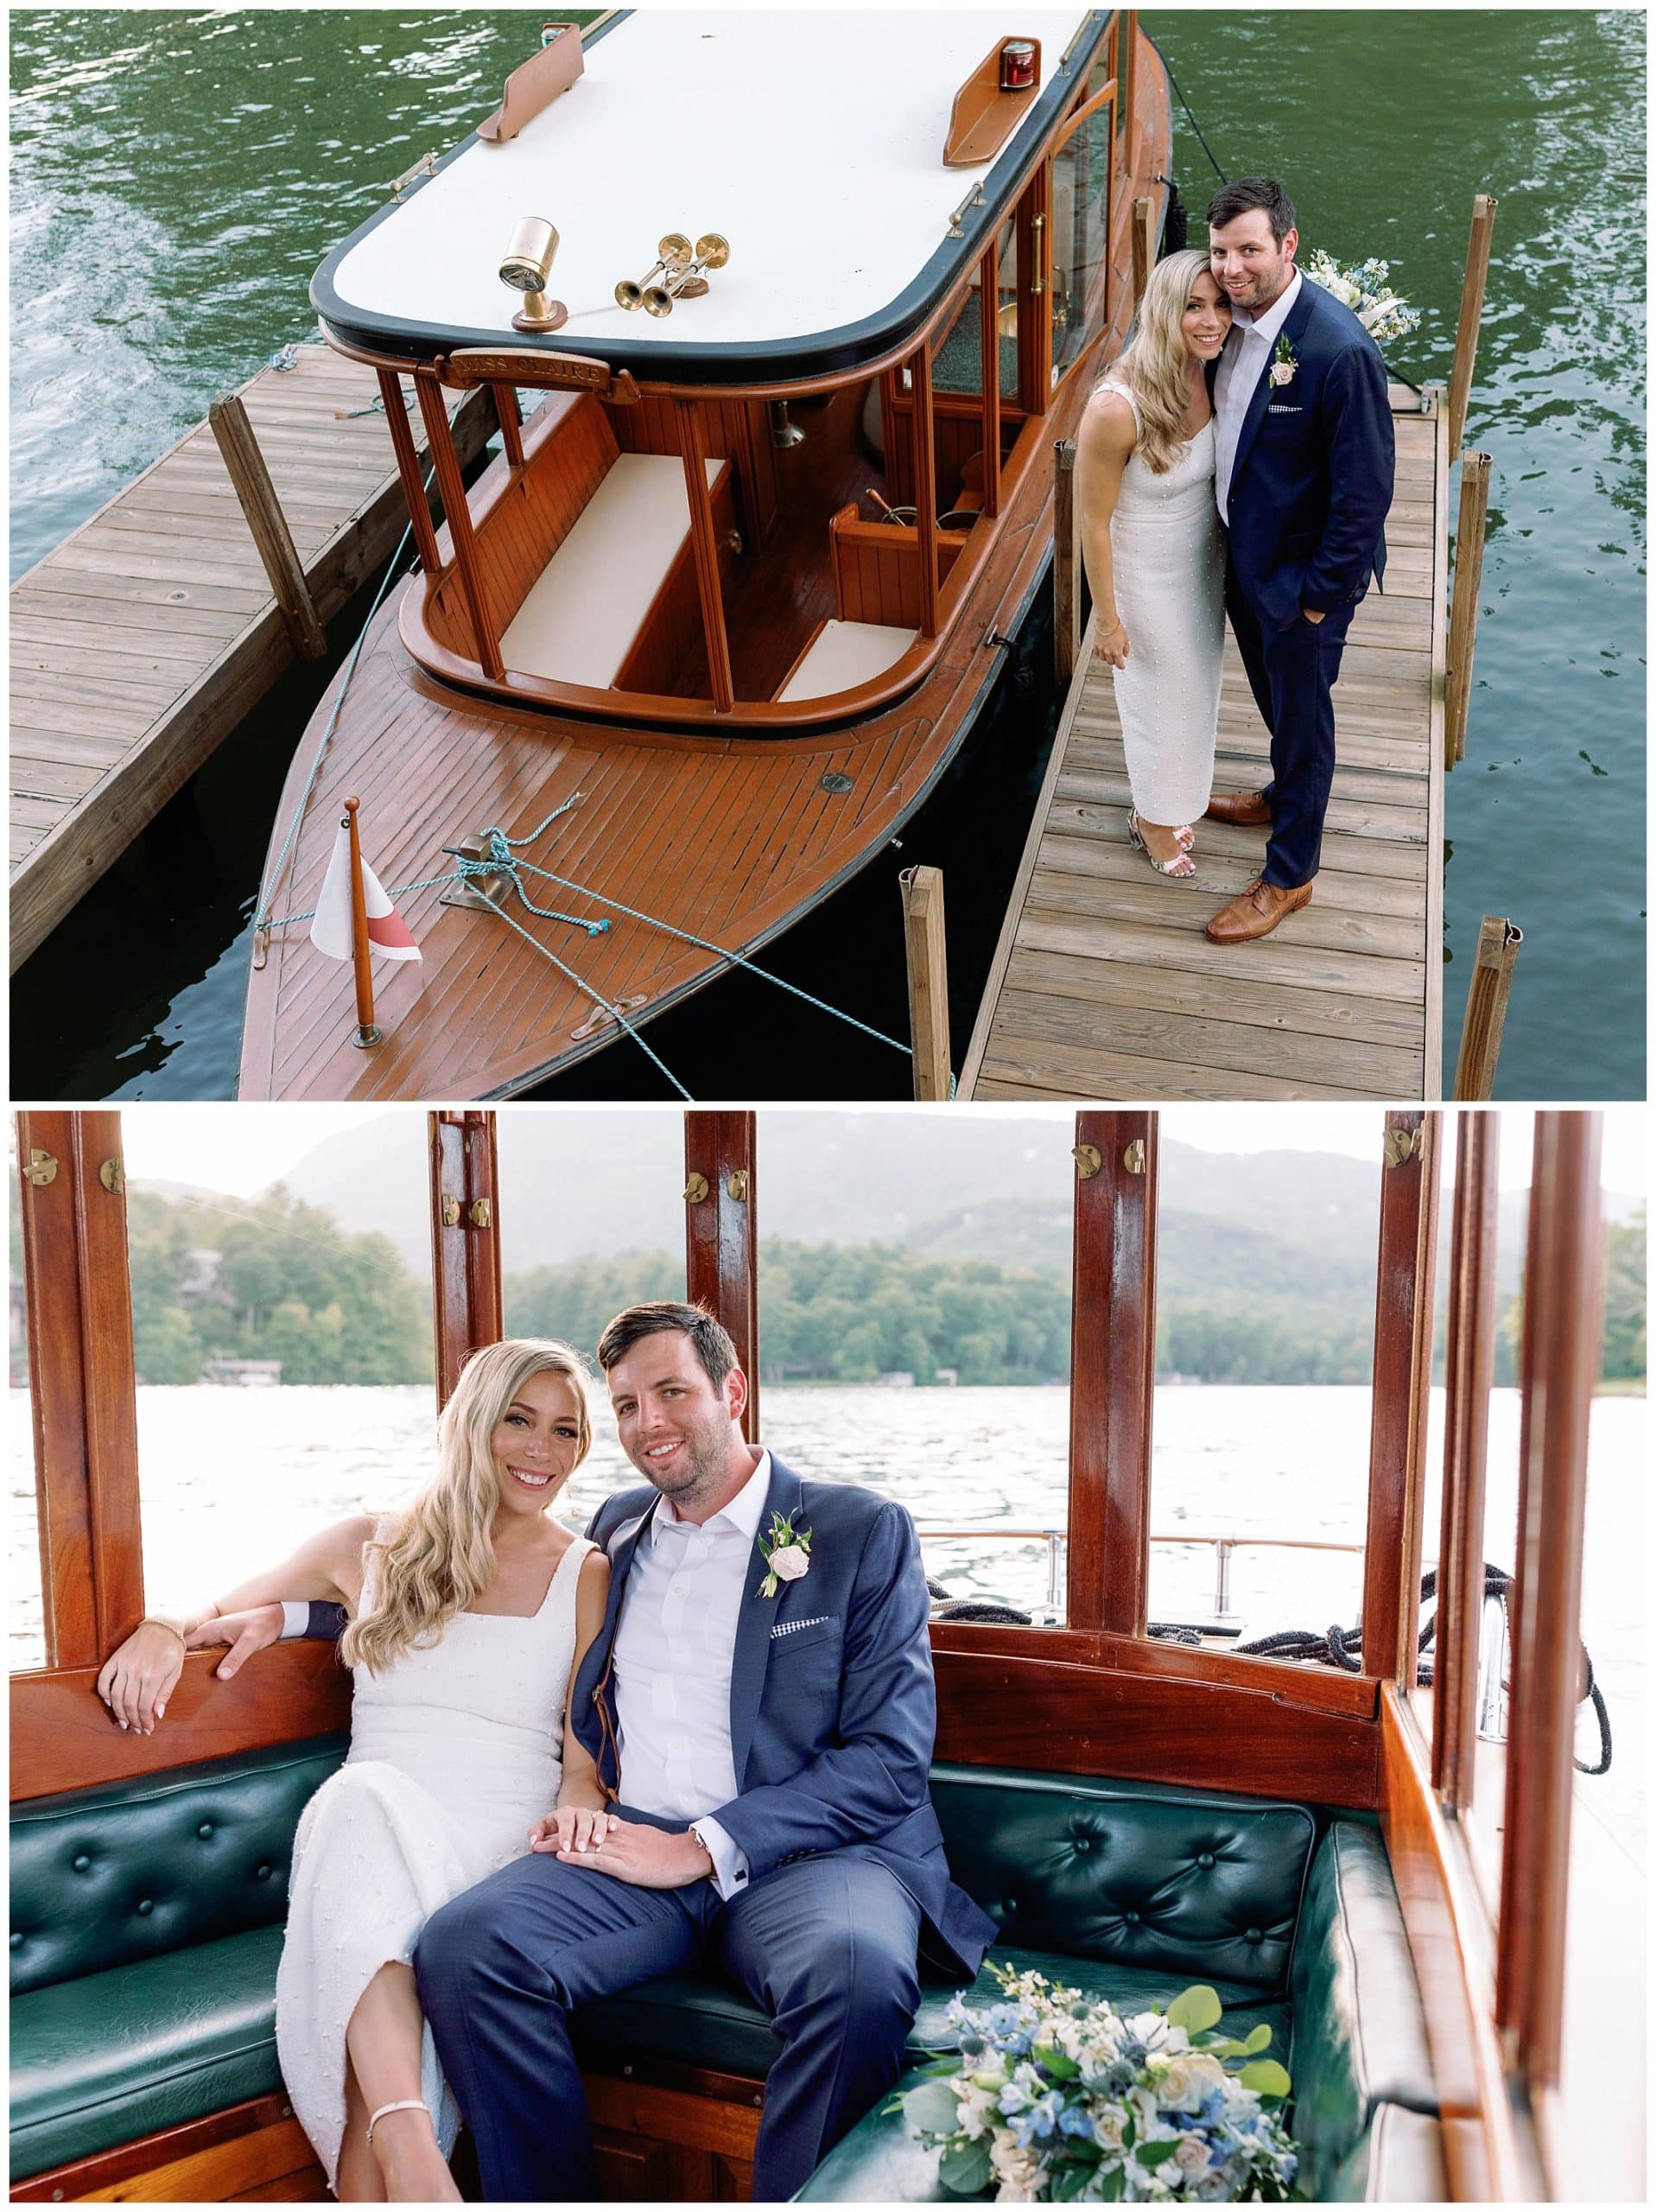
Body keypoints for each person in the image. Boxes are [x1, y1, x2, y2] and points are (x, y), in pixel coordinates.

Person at [93, 1339, 612, 2203]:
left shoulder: (582, 1570)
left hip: (494, 1843)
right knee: (359, 1805)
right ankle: (412, 2156)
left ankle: (398, 2156)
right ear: (471, 1422)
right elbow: (218, 1608)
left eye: (566, 1431)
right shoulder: (365, 1544)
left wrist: (578, 1810)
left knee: (353, 1828)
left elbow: (581, 1754)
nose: (541, 1451)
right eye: (518, 1420)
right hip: (369, 1829)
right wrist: (161, 1626)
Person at [1204, 175, 1395, 944]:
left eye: (1248, 249)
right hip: (1245, 566)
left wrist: (1318, 596)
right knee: (1278, 706)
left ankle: (1290, 876)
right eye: (1219, 251)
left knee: (1305, 720)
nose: (1230, 268)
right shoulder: (1231, 323)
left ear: (1287, 244)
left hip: (1298, 583)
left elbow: (1365, 491)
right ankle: (1283, 794)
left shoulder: (1336, 348)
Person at [1075, 248, 1231, 878]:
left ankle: (1172, 804)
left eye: (1220, 303)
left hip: (1201, 566)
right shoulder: (1116, 408)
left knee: (1196, 692)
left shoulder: (1214, 373)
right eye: (1193, 306)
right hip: (1144, 573)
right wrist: (1107, 620)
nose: (1211, 319)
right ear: (1162, 310)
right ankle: (1152, 819)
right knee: (1158, 699)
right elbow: (1090, 521)